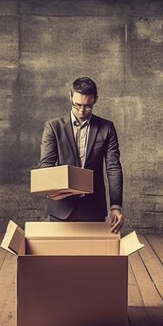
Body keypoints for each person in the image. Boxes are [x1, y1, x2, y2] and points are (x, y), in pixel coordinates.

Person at [38, 77, 124, 233]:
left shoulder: (107, 128)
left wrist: (116, 206)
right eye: (77, 105)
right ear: (70, 97)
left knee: (92, 257)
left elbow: (113, 168)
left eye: (87, 106)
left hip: (93, 208)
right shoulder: (53, 127)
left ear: (95, 100)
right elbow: (46, 166)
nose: (81, 111)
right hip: (61, 208)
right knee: (60, 257)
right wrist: (53, 189)